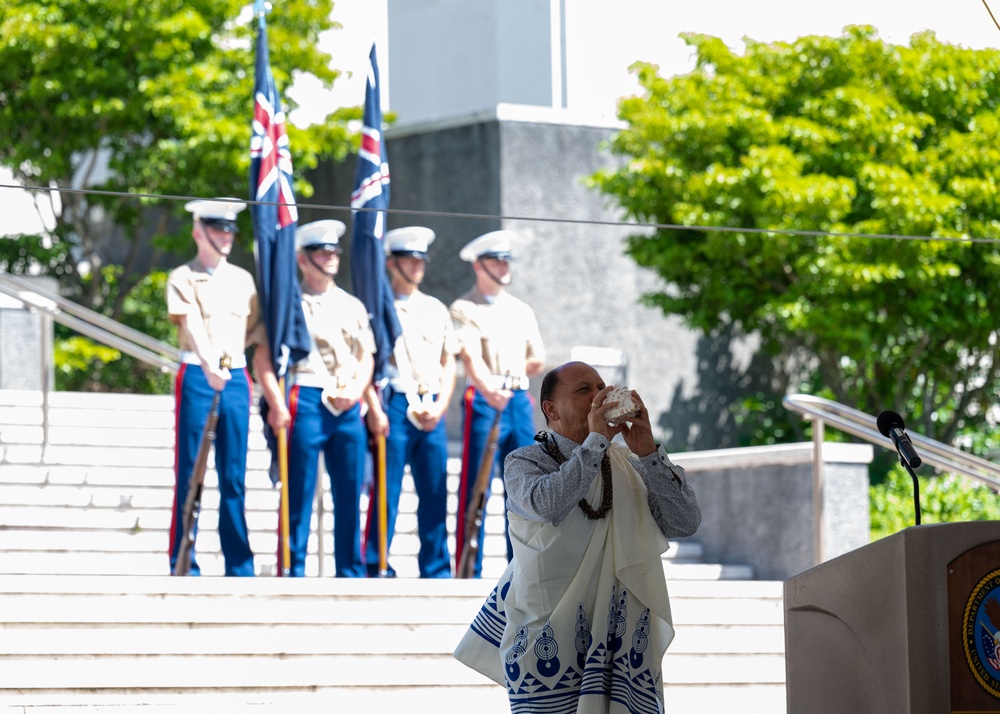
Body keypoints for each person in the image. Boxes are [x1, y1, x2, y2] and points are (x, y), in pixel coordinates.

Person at [454, 360, 701, 712]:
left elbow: (684, 522)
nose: (599, 395)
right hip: (548, 643)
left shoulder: (629, 463)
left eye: (602, 387)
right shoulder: (524, 461)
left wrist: (649, 452)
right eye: (585, 389)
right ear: (550, 410)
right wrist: (597, 440)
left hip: (622, 642)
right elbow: (547, 504)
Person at [255, 219, 377, 577]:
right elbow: (262, 356)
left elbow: (365, 355)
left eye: (334, 251)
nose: (332, 257)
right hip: (305, 396)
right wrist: (276, 402)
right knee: (298, 491)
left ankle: (350, 571)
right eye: (323, 252)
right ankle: (292, 569)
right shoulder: (287, 304)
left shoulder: (351, 304)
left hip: (347, 399)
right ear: (303, 259)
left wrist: (356, 390)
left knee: (350, 492)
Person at [167, 198, 264, 577]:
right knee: (190, 469)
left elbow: (254, 326)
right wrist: (209, 365)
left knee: (234, 475)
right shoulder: (184, 276)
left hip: (236, 376)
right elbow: (189, 324)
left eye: (229, 229)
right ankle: (183, 559)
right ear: (198, 231)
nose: (225, 236)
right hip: (197, 374)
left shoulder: (242, 280)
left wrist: (229, 364)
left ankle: (239, 563)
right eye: (217, 228)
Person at [362, 226, 459, 578]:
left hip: (429, 405)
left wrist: (441, 406)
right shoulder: (376, 308)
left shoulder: (435, 309)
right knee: (386, 490)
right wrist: (374, 408)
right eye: (409, 259)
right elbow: (364, 363)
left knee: (434, 490)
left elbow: (449, 362)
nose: (417, 266)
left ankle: (435, 568)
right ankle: (375, 562)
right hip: (395, 403)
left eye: (421, 259)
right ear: (391, 263)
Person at [449, 229, 545, 578]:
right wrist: (491, 388)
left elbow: (538, 358)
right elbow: (471, 358)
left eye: (506, 260)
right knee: (476, 484)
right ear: (479, 266)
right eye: (495, 261)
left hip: (517, 398)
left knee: (523, 485)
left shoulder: (521, 309)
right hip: (486, 399)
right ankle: (466, 568)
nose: (503, 267)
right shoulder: (464, 308)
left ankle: (520, 570)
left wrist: (511, 376)